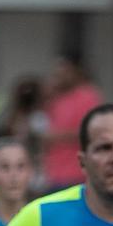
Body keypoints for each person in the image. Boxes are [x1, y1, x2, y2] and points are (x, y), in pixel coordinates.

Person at [42, 53, 103, 192]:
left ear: (76, 71)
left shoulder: (88, 95)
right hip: (53, 173)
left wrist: (54, 136)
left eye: (65, 71)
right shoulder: (55, 98)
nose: (60, 75)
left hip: (77, 173)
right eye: (57, 72)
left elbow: (91, 131)